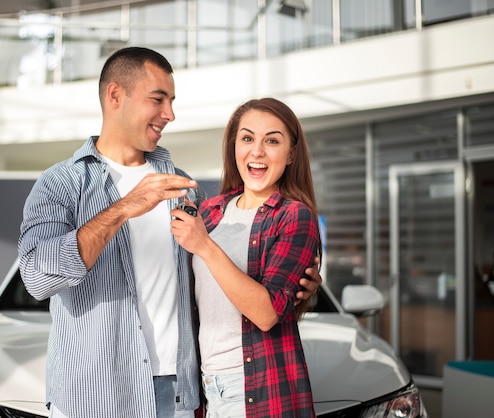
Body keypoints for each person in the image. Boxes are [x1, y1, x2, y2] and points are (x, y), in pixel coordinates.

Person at [18, 47, 322, 418]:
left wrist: (300, 284)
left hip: (181, 395)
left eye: (172, 101)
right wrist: (124, 207)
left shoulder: (187, 191)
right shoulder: (60, 185)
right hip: (96, 396)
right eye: (158, 99)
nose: (170, 114)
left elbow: (223, 277)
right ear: (115, 96)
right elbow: (36, 277)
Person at [171, 98, 321, 417]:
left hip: (256, 389)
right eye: (248, 138)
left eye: (272, 141)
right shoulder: (210, 211)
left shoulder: (294, 217)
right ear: (234, 146)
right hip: (203, 388)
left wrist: (205, 246)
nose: (257, 151)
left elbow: (266, 314)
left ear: (291, 152)